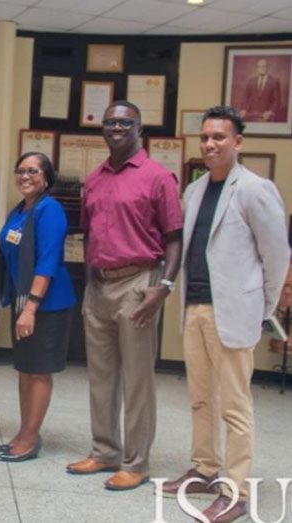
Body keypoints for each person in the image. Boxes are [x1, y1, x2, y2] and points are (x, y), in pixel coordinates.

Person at [162, 106, 288, 523]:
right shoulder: (195, 190)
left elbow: (277, 256)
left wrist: (263, 309)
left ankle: (234, 492)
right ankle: (204, 468)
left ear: (238, 142)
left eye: (219, 137)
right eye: (205, 137)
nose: (210, 144)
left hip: (233, 312)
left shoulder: (255, 189)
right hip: (196, 307)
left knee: (235, 406)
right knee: (200, 398)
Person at [66, 101, 182, 490]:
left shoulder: (157, 177)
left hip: (138, 283)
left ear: (139, 128)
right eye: (110, 122)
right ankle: (104, 452)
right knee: (100, 377)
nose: (116, 127)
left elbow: (174, 238)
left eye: (124, 122)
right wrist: (89, 285)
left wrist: (162, 287)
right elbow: (89, 232)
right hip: (98, 285)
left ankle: (136, 462)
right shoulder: (95, 177)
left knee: (136, 380)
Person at [0, 152, 75, 462]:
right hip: (24, 304)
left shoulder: (49, 210)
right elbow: (9, 258)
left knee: (38, 372)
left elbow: (47, 260)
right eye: (21, 170)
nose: (25, 176)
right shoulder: (21, 210)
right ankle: (24, 432)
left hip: (46, 306)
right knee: (25, 370)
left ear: (46, 177)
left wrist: (30, 308)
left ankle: (30, 438)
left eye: (33, 171)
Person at [239, 58, 282, 122]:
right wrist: (243, 109)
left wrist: (270, 111)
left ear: (268, 67)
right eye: (260, 66)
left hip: (266, 115)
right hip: (251, 114)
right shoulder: (251, 81)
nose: (262, 68)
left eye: (264, 66)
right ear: (257, 68)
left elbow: (277, 101)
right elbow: (246, 97)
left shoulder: (274, 81)